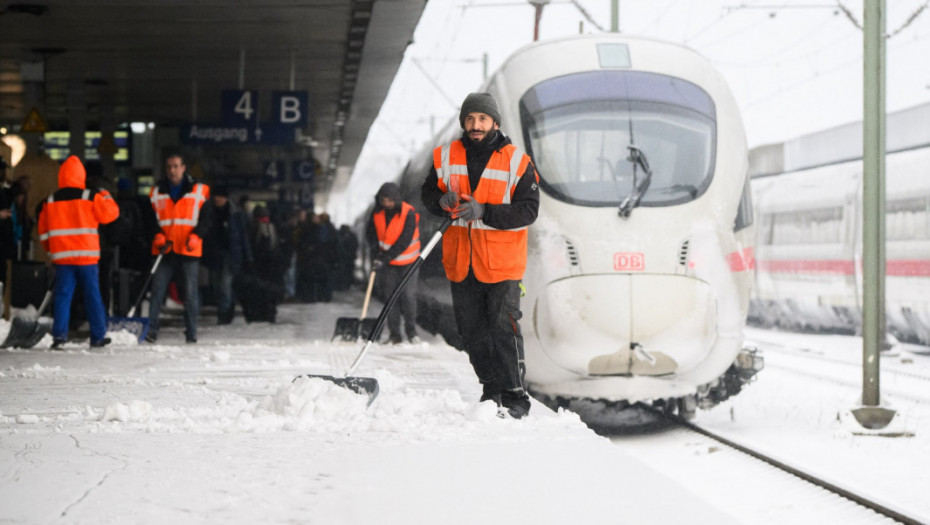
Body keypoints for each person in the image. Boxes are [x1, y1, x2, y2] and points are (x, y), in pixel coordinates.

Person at [420, 92, 540, 419]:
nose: (476, 125)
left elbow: (529, 210)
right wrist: (439, 201)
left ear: (495, 122)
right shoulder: (446, 156)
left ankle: (516, 397)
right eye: (470, 119)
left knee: (503, 327)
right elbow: (428, 192)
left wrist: (485, 211)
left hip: (503, 264)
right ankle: (491, 389)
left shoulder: (518, 162)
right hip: (461, 260)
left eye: (482, 119)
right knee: (471, 331)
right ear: (464, 122)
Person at [37, 156, 120, 348]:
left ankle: (59, 337)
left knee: (62, 297)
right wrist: (106, 194)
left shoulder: (50, 200)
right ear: (81, 176)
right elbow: (111, 214)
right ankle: (98, 336)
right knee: (92, 296)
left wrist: (52, 250)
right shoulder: (90, 196)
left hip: (63, 258)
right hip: (87, 258)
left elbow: (43, 231)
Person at [145, 152, 212, 343]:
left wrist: (197, 235)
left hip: (188, 249)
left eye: (176, 166)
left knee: (191, 293)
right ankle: (151, 332)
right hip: (164, 249)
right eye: (169, 167)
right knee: (157, 292)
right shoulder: (156, 191)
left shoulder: (200, 190)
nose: (172, 170)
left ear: (183, 168)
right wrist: (156, 234)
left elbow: (207, 219)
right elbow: (149, 219)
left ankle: (191, 333)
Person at [366, 182, 420, 344]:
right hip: (388, 265)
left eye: (390, 201)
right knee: (389, 299)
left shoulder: (408, 213)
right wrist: (376, 254)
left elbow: (405, 240)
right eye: (384, 200)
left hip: (409, 262)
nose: (387, 204)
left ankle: (412, 332)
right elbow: (371, 236)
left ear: (396, 200)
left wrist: (384, 258)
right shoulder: (376, 214)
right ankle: (395, 335)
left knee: (408, 297)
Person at [202, 186, 251, 324]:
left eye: (220, 196)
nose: (217, 199)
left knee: (225, 284)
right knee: (216, 285)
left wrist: (248, 257)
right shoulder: (209, 212)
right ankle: (225, 309)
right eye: (215, 196)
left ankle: (224, 314)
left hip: (230, 254)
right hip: (214, 254)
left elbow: (243, 236)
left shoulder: (235, 214)